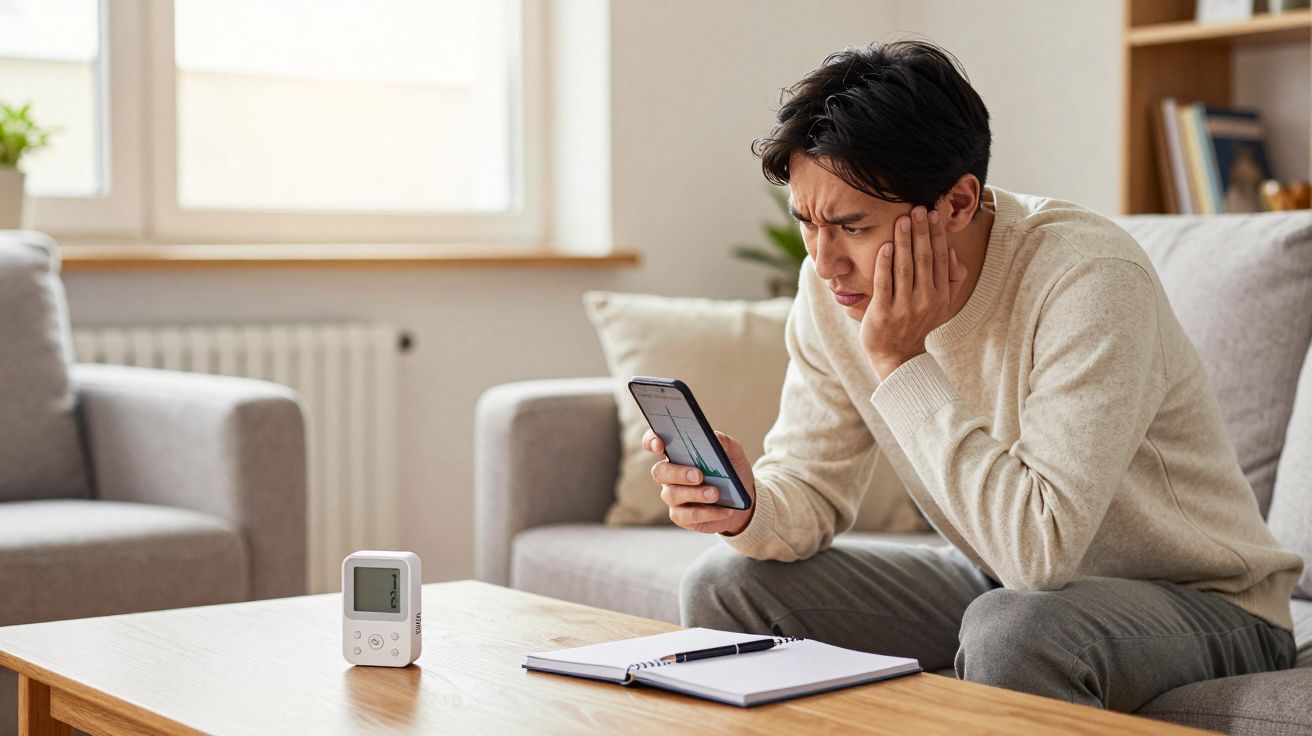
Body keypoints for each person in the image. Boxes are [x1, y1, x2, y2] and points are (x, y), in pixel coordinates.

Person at [642, 40, 1302, 712]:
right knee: (727, 582)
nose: (825, 260)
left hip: (1204, 603)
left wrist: (901, 362)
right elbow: (812, 489)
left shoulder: (1089, 279)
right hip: (998, 577)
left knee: (1015, 630)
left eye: (851, 225)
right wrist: (747, 506)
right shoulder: (832, 288)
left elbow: (1037, 553)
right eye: (808, 222)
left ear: (958, 203)